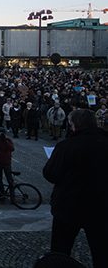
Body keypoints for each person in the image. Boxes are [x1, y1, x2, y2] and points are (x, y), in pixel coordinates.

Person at [43, 109, 108, 267]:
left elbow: (51, 174)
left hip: (69, 206)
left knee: (61, 250)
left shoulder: (67, 146)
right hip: (102, 207)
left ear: (73, 125)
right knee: (102, 252)